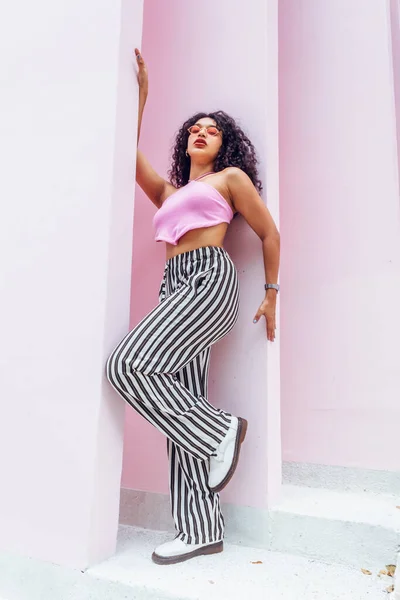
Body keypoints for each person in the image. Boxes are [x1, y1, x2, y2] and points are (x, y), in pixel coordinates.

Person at [106, 48, 280, 566]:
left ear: (226, 146)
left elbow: (269, 233)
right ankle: (201, 528)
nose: (201, 133)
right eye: (195, 129)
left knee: (127, 365)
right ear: (186, 142)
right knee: (178, 404)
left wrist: (272, 294)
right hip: (172, 287)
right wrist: (141, 96)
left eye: (213, 130)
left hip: (208, 279)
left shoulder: (230, 181)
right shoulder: (169, 190)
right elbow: (126, 152)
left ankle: (221, 429)